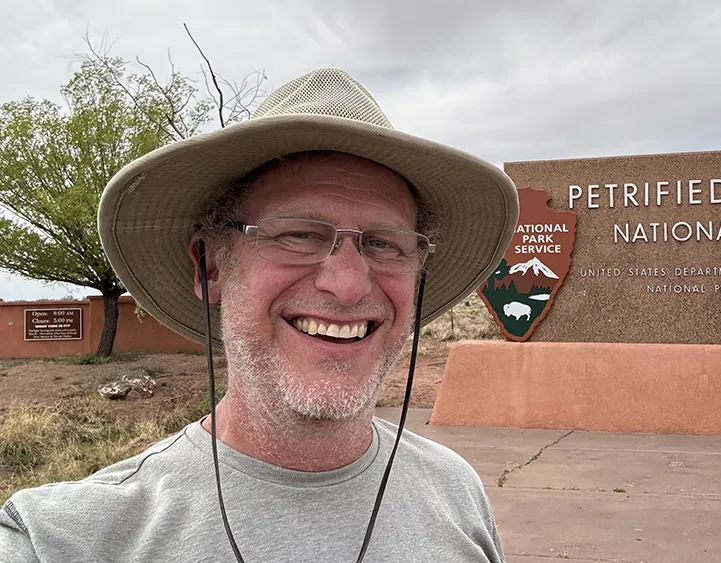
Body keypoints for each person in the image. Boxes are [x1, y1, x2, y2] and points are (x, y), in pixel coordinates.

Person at [0, 68, 519, 562]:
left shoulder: (456, 493)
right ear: (210, 267)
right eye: (299, 234)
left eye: (384, 244)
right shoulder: (63, 540)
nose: (347, 284)